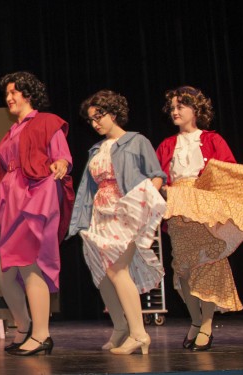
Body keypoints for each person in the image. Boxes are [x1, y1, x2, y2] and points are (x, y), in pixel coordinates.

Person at [155, 86, 243, 351]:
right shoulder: (167, 144)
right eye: (173, 107)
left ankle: (206, 324)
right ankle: (194, 320)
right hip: (178, 206)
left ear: (196, 109)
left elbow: (229, 172)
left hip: (205, 205)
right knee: (183, 268)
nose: (175, 111)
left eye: (181, 106)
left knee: (209, 262)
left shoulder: (212, 139)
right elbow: (157, 177)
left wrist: (215, 201)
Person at [69, 90, 166, 355]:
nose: (95, 123)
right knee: (103, 276)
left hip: (125, 212)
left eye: (99, 116)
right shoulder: (97, 149)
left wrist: (143, 206)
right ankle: (121, 328)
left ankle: (139, 334)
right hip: (100, 214)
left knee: (117, 270)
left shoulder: (136, 141)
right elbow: (88, 189)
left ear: (113, 113)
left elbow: (157, 175)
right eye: (90, 119)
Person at [0, 71, 74, 356]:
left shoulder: (47, 121)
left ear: (29, 94)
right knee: (4, 272)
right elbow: (0, 176)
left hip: (32, 196)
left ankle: (42, 334)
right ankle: (23, 327)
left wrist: (61, 164)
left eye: (14, 92)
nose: (9, 98)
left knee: (29, 264)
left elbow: (62, 155)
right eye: (7, 93)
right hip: (7, 200)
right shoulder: (10, 132)